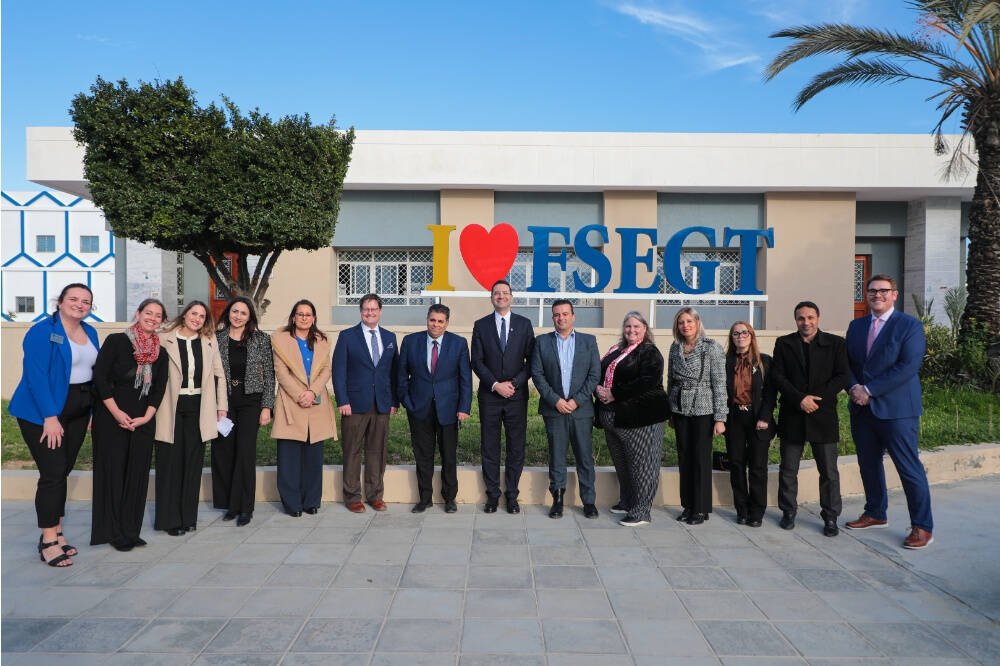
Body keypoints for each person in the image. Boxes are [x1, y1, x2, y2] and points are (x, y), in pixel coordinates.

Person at [10, 283, 100, 567]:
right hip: (43, 412)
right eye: (73, 299)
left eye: (86, 301)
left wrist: (92, 412)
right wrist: (50, 417)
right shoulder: (42, 332)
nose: (79, 304)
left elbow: (93, 373)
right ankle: (48, 541)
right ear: (60, 302)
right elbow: (35, 377)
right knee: (52, 473)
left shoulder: (91, 331)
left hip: (78, 409)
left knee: (64, 470)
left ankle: (58, 532)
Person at [845, 275, 934, 549]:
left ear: (894, 294)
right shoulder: (856, 325)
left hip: (897, 411)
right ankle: (875, 512)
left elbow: (908, 366)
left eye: (883, 291)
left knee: (908, 468)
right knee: (868, 464)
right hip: (862, 410)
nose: (877, 295)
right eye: (872, 291)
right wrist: (853, 388)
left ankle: (922, 526)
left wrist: (869, 389)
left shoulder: (909, 326)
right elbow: (845, 362)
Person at [91, 298, 168, 551]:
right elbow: (100, 379)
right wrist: (116, 413)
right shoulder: (116, 341)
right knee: (114, 474)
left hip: (143, 420)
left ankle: (130, 530)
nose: (152, 318)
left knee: (137, 475)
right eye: (148, 313)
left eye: (158, 315)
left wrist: (147, 415)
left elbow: (158, 388)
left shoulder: (161, 352)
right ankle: (113, 532)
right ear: (138, 313)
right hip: (112, 417)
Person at [770, 301, 849, 537]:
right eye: (801, 318)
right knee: (788, 469)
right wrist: (799, 399)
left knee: (829, 472)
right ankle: (788, 512)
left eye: (810, 317)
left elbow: (842, 376)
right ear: (796, 320)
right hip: (793, 414)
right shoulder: (784, 343)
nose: (806, 322)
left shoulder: (836, 344)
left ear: (818, 318)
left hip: (822, 415)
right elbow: (778, 376)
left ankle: (831, 516)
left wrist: (815, 399)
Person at [153, 301, 227, 536]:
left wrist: (221, 407)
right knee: (171, 463)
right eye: (193, 313)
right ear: (184, 315)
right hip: (171, 406)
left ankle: (188, 517)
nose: (197, 318)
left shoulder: (208, 340)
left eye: (202, 316)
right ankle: (169, 519)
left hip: (199, 406)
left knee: (193, 463)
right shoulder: (165, 338)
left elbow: (219, 375)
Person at [595, 311, 670, 527]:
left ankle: (641, 510)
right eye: (628, 326)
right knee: (624, 464)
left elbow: (646, 381)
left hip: (641, 419)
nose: (631, 330)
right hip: (615, 419)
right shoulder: (616, 349)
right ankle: (628, 501)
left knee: (642, 465)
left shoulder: (649, 352)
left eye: (637, 326)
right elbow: (600, 372)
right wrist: (598, 389)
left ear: (645, 329)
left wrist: (614, 393)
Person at [396, 303, 472, 513]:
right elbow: (401, 376)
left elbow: (465, 378)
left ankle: (449, 498)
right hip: (419, 408)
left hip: (449, 408)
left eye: (440, 321)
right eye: (432, 320)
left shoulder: (459, 343)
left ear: (447, 323)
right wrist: (407, 402)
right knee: (423, 455)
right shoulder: (411, 342)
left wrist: (464, 407)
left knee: (449, 455)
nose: (435, 325)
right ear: (427, 319)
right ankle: (425, 498)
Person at [531, 300, 601, 519]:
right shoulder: (542, 342)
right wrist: (556, 400)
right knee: (557, 456)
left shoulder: (588, 341)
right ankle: (558, 499)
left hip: (581, 410)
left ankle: (588, 501)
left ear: (573, 316)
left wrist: (576, 401)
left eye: (565, 314)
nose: (560, 318)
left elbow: (594, 375)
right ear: (553, 318)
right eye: (556, 315)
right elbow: (537, 374)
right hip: (555, 410)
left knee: (584, 457)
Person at [471, 279, 535, 514]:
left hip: (516, 397)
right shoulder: (481, 325)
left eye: (505, 292)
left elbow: (531, 361)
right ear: (491, 297)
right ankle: (492, 495)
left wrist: (515, 384)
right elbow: (476, 361)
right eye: (496, 293)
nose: (500, 296)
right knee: (489, 447)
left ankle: (512, 495)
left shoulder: (524, 324)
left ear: (511, 296)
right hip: (490, 396)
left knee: (516, 447)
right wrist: (496, 384)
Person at [332, 294, 398, 513]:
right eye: (366, 309)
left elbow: (393, 372)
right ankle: (352, 497)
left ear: (380, 311)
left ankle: (375, 495)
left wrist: (393, 400)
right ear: (361, 311)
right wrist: (342, 400)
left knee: (377, 451)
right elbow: (339, 371)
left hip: (382, 403)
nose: (370, 313)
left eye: (374, 309)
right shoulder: (347, 336)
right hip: (354, 403)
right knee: (352, 450)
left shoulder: (389, 337)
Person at [271, 299, 337, 517]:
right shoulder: (280, 340)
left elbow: (326, 370)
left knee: (313, 457)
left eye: (308, 314)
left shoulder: (322, 340)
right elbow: (280, 372)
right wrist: (300, 395)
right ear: (293, 317)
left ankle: (311, 501)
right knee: (289, 457)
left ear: (314, 318)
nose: (304, 318)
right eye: (300, 314)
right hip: (291, 401)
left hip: (316, 403)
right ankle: (292, 503)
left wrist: (312, 393)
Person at [213, 297, 275, 527]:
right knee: (225, 451)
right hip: (224, 402)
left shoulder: (260, 339)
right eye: (235, 311)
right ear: (228, 312)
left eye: (243, 313)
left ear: (250, 317)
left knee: (245, 454)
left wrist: (267, 407)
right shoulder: (216, 339)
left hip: (251, 401)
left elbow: (269, 375)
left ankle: (246, 507)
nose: (238, 316)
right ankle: (231, 504)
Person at [667, 307, 727, 526]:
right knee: (685, 457)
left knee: (701, 459)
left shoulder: (711, 348)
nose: (685, 326)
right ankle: (688, 505)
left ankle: (701, 508)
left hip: (703, 407)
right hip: (680, 408)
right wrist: (670, 411)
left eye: (689, 321)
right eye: (681, 322)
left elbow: (720, 384)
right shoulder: (675, 348)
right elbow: (670, 381)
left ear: (698, 322)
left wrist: (721, 418)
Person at [724, 321, 776, 528]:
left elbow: (771, 393)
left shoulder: (765, 362)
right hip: (734, 418)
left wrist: (765, 416)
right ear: (732, 338)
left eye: (744, 332)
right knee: (736, 464)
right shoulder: (725, 362)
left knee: (757, 466)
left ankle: (757, 511)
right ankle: (742, 509)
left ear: (752, 336)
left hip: (758, 420)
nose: (740, 336)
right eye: (736, 333)